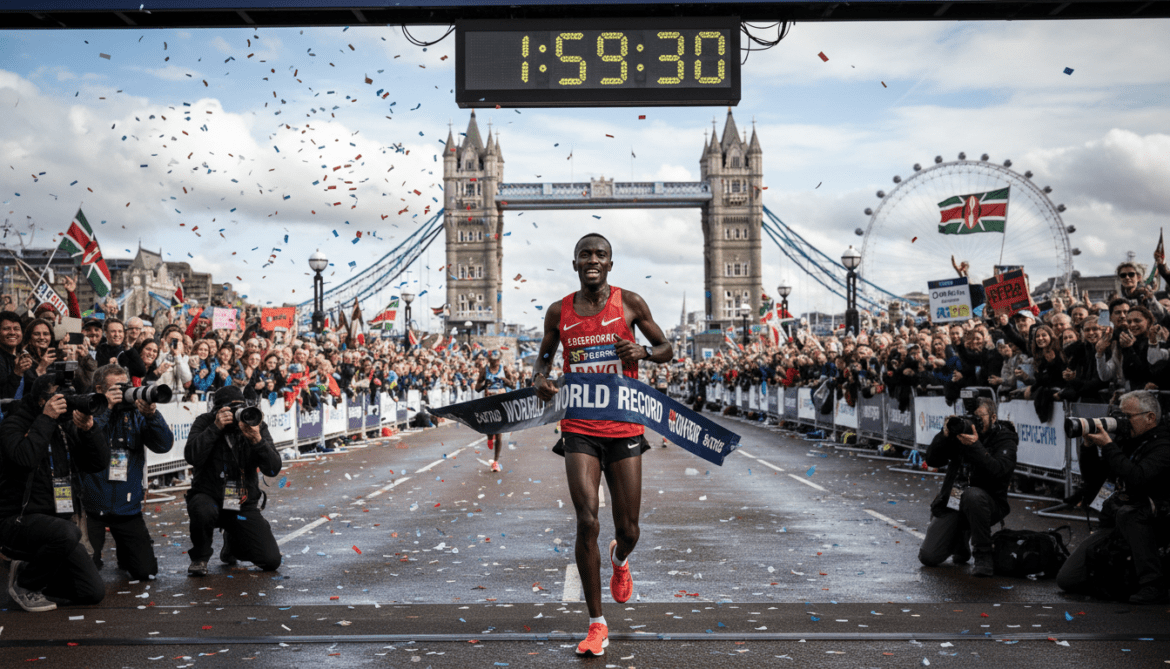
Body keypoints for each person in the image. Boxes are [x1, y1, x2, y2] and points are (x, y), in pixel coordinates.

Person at [532, 233, 673, 657]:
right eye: (585, 254)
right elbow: (543, 357)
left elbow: (668, 348)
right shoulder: (560, 310)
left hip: (625, 426)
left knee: (628, 529)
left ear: (610, 264)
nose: (593, 260)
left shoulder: (629, 303)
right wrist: (539, 378)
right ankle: (597, 624)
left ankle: (620, 559)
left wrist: (644, 353)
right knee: (587, 521)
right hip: (579, 426)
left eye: (601, 255)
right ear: (575, 263)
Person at [0, 373, 109, 611]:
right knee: (68, 533)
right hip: (17, 519)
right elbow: (24, 458)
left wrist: (90, 430)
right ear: (42, 400)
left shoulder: (64, 427)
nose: (66, 402)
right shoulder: (13, 423)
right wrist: (46, 418)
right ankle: (24, 584)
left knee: (92, 592)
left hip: (57, 523)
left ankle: (32, 573)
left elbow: (98, 464)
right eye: (60, 397)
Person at [1057, 391, 1170, 604]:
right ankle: (1120, 575)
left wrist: (1109, 446)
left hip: (1154, 523)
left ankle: (1153, 583)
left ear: (1150, 417)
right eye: (1119, 415)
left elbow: (1138, 477)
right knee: (1067, 579)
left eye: (1128, 417)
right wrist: (1089, 447)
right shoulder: (1128, 441)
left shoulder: (1163, 446)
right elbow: (1095, 480)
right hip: (1117, 522)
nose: (1122, 422)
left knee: (1131, 514)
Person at [80, 364, 174, 580]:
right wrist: (104, 410)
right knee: (86, 573)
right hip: (92, 509)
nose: (123, 393)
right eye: (116, 388)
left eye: (126, 387)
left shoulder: (135, 415)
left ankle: (126, 551)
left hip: (127, 508)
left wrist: (151, 416)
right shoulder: (87, 413)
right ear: (99, 389)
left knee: (145, 571)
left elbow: (164, 445)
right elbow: (85, 440)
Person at [183, 386, 283, 576]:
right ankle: (200, 558)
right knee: (202, 509)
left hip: (242, 502)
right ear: (218, 410)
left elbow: (273, 468)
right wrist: (216, 427)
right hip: (209, 496)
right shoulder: (205, 422)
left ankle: (233, 543)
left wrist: (257, 439)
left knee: (271, 561)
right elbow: (192, 456)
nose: (237, 414)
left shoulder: (254, 423)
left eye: (240, 408)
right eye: (231, 409)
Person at [918, 397, 1019, 577]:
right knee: (928, 556)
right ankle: (960, 542)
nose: (974, 423)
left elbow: (999, 471)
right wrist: (945, 435)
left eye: (979, 418)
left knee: (972, 496)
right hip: (958, 493)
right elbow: (933, 460)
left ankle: (983, 556)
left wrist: (975, 446)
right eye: (971, 417)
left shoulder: (1005, 438)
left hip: (989, 499)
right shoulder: (960, 434)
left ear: (993, 418)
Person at [476, 349, 514, 472]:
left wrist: (505, 381)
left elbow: (513, 385)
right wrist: (483, 385)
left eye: (497, 360)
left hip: (500, 403)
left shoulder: (504, 369)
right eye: (493, 361)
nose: (496, 363)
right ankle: (489, 437)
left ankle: (496, 461)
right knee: (489, 429)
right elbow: (477, 388)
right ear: (490, 360)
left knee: (499, 432)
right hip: (488, 404)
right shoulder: (484, 370)